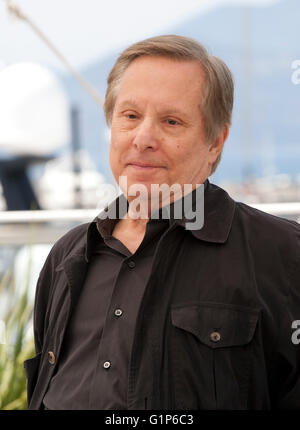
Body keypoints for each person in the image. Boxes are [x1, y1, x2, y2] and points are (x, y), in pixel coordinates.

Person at [24, 35, 300, 410]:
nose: (143, 138)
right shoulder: (67, 257)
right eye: (130, 116)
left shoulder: (282, 255)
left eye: (171, 121)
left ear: (215, 142)